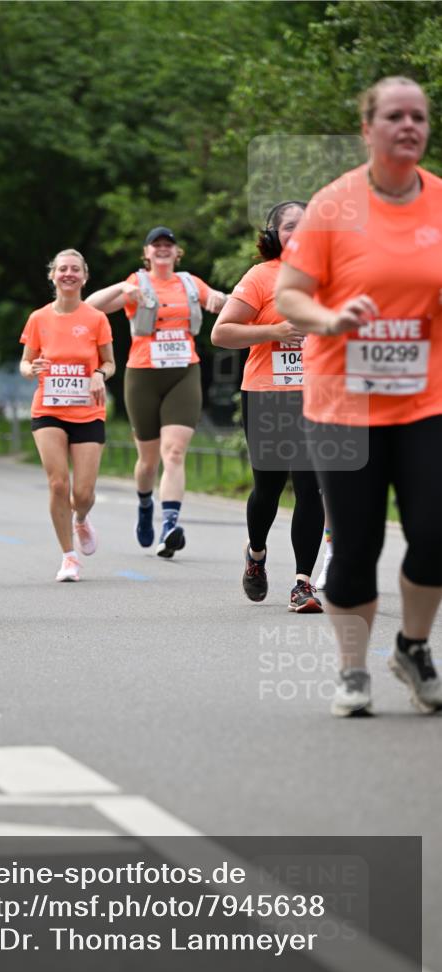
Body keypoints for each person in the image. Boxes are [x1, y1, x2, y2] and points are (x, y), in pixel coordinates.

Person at [275, 76, 442, 716]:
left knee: (434, 532)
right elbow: (291, 294)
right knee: (356, 545)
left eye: (419, 116)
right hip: (345, 403)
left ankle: (413, 648)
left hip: (426, 399)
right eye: (395, 116)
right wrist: (330, 319)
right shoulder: (333, 206)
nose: (409, 126)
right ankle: (352, 669)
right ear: (368, 128)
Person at [86, 227, 227, 557]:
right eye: (156, 245)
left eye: (169, 245)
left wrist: (222, 300)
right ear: (146, 253)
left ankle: (170, 526)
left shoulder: (190, 283)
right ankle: (145, 504)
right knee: (148, 462)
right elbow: (91, 307)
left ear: (178, 253)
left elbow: (226, 302)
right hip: (143, 375)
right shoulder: (136, 283)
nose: (163, 249)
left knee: (174, 452)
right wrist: (122, 288)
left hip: (184, 372)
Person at [212, 202, 324, 612]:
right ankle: (256, 553)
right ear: (274, 234)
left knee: (311, 487)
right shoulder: (261, 277)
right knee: (268, 489)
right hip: (267, 395)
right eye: (291, 226)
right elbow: (221, 333)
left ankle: (302, 585)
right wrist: (274, 330)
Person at [20, 249, 115, 582]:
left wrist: (99, 374)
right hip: (48, 409)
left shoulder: (96, 319)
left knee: (83, 494)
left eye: (75, 269)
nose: (69, 274)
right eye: (62, 269)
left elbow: (110, 362)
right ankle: (69, 557)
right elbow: (25, 362)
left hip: (88, 411)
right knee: (58, 483)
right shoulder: (38, 318)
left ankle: (81, 519)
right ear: (53, 275)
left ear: (84, 277)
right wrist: (31, 369)